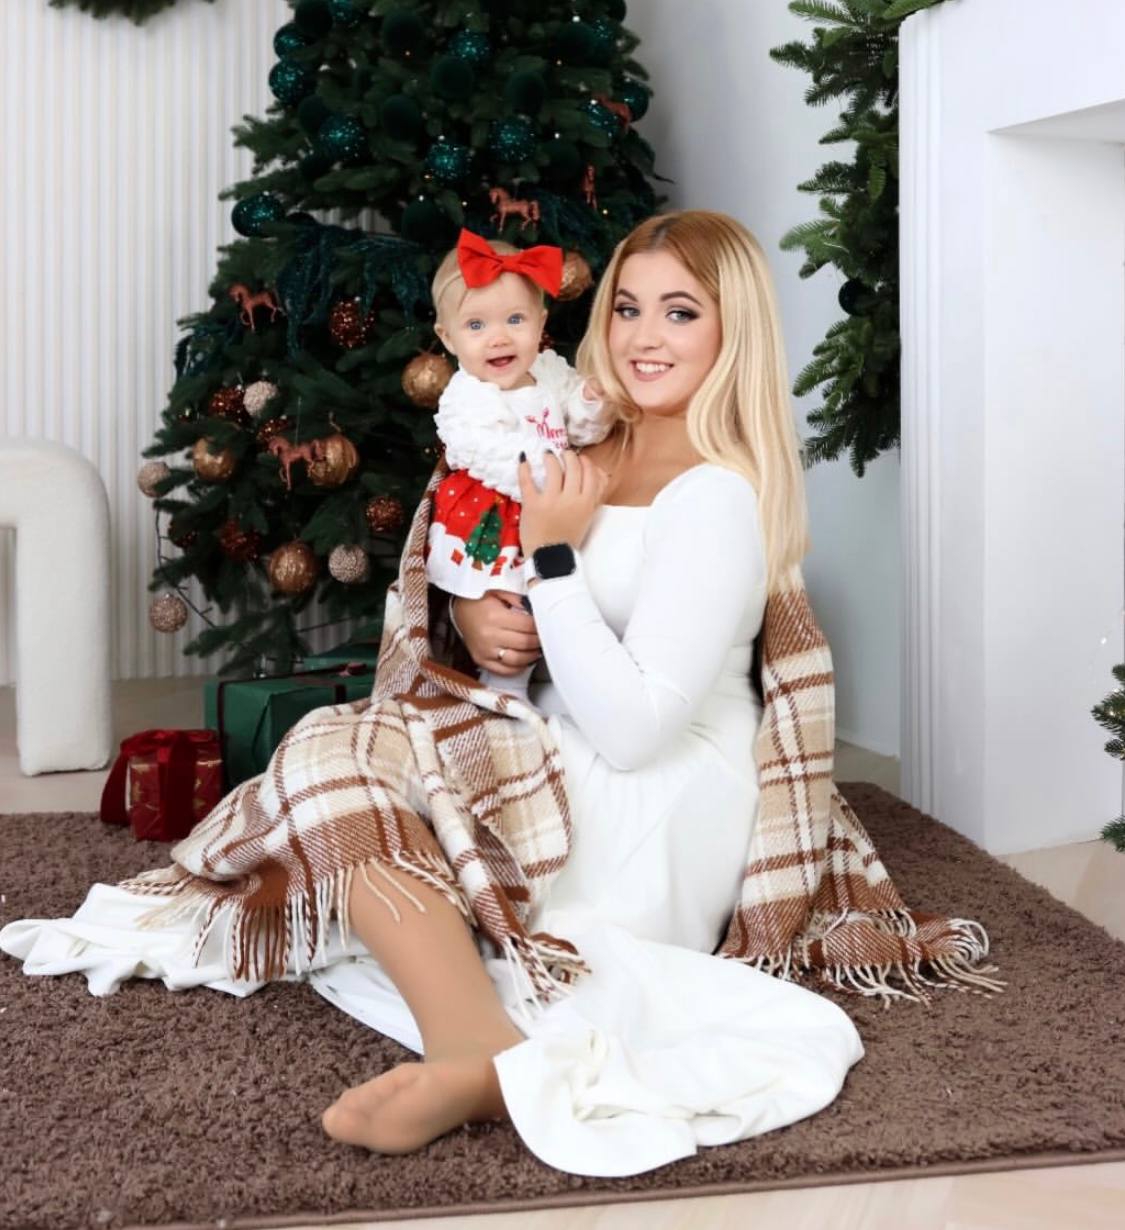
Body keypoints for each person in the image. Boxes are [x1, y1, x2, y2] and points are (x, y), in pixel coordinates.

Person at [4, 209, 945, 1177]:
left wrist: (554, 557)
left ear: (731, 331)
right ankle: (475, 1045)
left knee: (344, 767)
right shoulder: (584, 439)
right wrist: (477, 617)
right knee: (336, 753)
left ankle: (467, 1034)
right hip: (546, 736)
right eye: (626, 308)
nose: (644, 337)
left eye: (680, 312)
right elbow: (507, 584)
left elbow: (634, 728)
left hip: (653, 795)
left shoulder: (716, 494)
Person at [426, 228, 609, 703]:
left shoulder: (547, 371)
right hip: (502, 506)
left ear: (540, 321)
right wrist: (550, 478)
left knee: (557, 597)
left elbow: (580, 425)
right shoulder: (468, 396)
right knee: (513, 603)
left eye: (515, 319)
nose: (499, 338)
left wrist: (590, 401)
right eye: (476, 325)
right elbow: (485, 452)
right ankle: (505, 688)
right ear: (447, 338)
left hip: (551, 501)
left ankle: (562, 683)